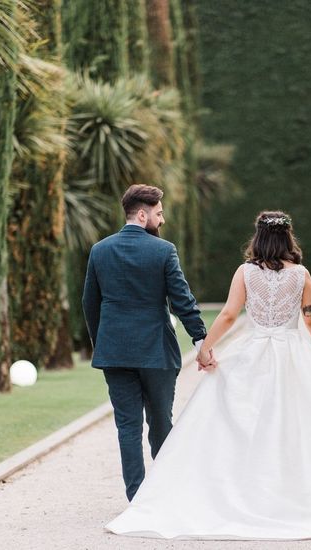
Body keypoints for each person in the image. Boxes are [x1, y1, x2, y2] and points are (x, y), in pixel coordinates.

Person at [105, 210, 311, 540]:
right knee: (298, 420)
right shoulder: (300, 274)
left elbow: (229, 314)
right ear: (288, 237)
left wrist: (205, 347)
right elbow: (310, 314)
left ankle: (238, 490)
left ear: (257, 237)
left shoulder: (245, 272)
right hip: (291, 352)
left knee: (239, 420)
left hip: (253, 351)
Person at [82, 184, 216, 502]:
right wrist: (201, 340)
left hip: (114, 354)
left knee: (127, 427)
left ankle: (137, 498)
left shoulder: (99, 250)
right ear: (142, 215)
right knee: (160, 422)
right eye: (159, 213)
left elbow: (90, 303)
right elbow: (182, 301)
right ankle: (164, 494)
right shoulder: (163, 251)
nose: (163, 219)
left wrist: (103, 342)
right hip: (156, 352)